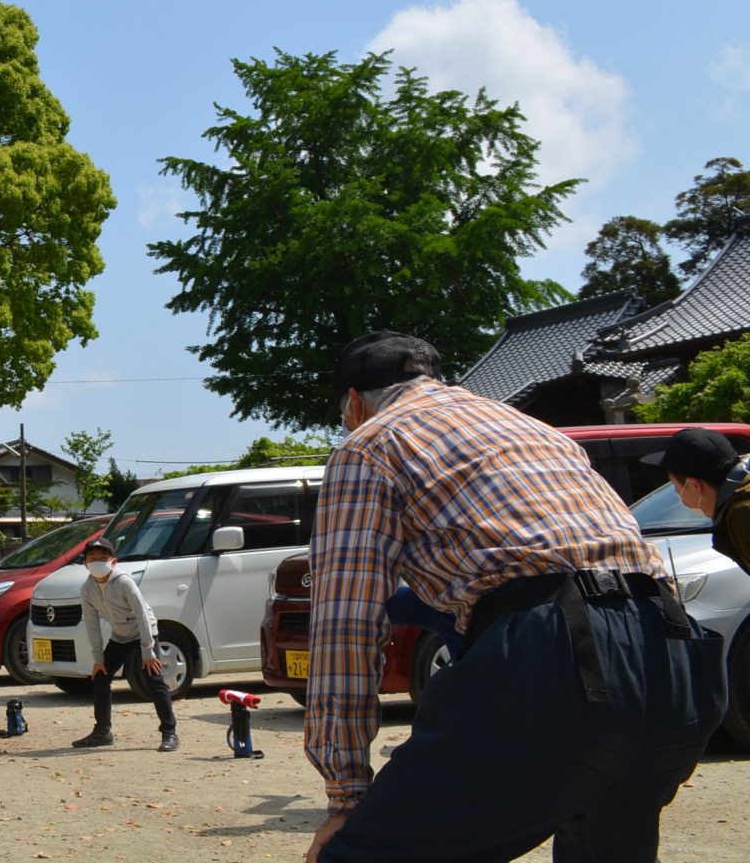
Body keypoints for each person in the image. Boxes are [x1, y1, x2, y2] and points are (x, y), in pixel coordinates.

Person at [303, 332, 728, 863]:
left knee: (361, 854)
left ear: (356, 401)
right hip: (674, 653)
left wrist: (347, 796)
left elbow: (346, 624)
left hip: (555, 650)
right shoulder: (538, 431)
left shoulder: (370, 443)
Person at [70, 534, 178, 752]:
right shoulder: (87, 589)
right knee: (100, 678)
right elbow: (91, 624)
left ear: (113, 561)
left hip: (143, 634)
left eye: (103, 557)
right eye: (92, 558)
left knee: (154, 680)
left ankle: (169, 733)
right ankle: (102, 731)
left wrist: (148, 652)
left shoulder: (124, 582)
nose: (98, 561)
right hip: (120, 636)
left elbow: (143, 615)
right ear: (85, 564)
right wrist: (98, 658)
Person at [648, 426, 750, 574]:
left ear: (695, 486)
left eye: (675, 486)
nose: (678, 494)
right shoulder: (737, 504)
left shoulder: (742, 513)